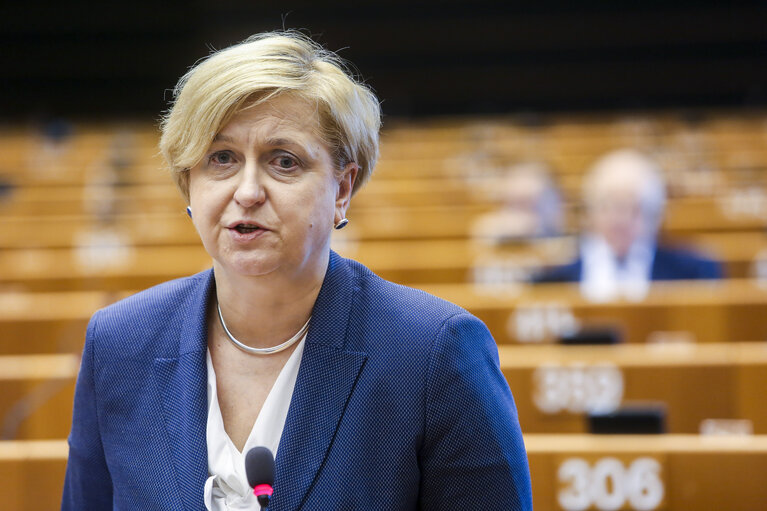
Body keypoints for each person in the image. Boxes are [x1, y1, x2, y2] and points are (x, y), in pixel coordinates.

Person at [61, 31, 532, 510]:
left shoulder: (432, 353)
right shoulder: (120, 343)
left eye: (283, 161)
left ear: (342, 190)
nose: (247, 191)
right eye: (221, 159)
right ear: (189, 184)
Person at [535, 148, 722, 301]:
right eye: (608, 206)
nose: (621, 220)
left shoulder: (694, 272)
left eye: (634, 208)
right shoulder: (554, 280)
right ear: (589, 213)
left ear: (655, 216)